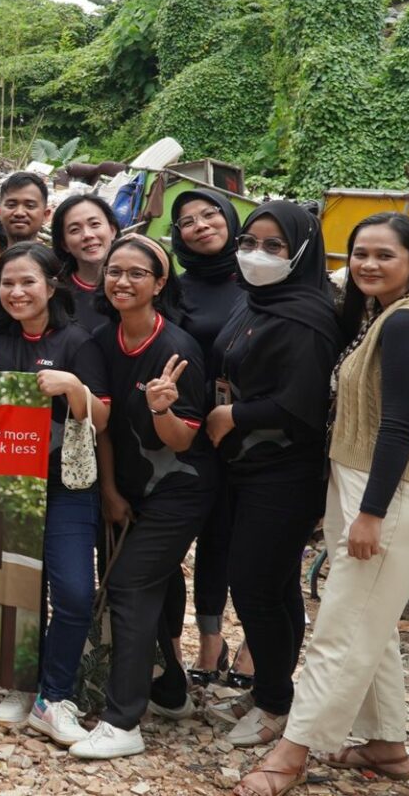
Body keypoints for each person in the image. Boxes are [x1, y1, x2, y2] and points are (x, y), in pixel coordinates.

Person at [235, 214, 409, 796]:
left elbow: (400, 428)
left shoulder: (408, 325)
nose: (369, 265)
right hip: (361, 479)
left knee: (342, 623)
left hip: (393, 490)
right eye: (360, 254)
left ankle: (293, 752)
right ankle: (387, 745)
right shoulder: (381, 318)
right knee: (372, 623)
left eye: (385, 254)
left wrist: (372, 513)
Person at [0, 244, 107, 746]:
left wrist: (73, 388)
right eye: (7, 283)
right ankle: (20, 685)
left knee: (74, 594)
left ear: (52, 284)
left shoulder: (79, 342)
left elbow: (102, 419)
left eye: (27, 282)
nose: (16, 292)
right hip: (10, 487)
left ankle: (53, 695)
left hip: (65, 487)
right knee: (17, 592)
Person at [70, 236, 216, 760]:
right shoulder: (101, 342)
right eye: (114, 272)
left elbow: (184, 440)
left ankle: (122, 720)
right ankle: (171, 692)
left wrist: (160, 409)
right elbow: (102, 427)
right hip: (128, 489)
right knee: (141, 581)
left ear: (159, 283)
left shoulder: (178, 349)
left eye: (137, 273)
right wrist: (108, 490)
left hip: (180, 490)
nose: (123, 282)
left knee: (130, 585)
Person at [203, 203, 338, 750]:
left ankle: (277, 705)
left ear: (301, 252)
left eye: (274, 246)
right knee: (276, 582)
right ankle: (272, 688)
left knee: (254, 583)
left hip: (285, 471)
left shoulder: (308, 317)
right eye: (249, 241)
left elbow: (302, 402)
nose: (257, 255)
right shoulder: (255, 300)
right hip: (247, 464)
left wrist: (233, 416)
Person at [169, 189, 248, 689]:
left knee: (241, 540)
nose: (200, 225)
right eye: (187, 221)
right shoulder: (176, 287)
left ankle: (236, 646)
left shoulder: (259, 278)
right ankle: (199, 642)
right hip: (184, 427)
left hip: (248, 429)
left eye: (209, 214)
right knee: (198, 537)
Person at [51, 194, 120, 335]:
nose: (87, 235)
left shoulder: (136, 285)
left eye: (95, 224)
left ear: (112, 230)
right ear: (64, 244)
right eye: (75, 230)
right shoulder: (56, 293)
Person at [0, 172, 51, 244]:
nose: (19, 213)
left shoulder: (53, 255)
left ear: (45, 214)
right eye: (11, 205)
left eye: (30, 206)